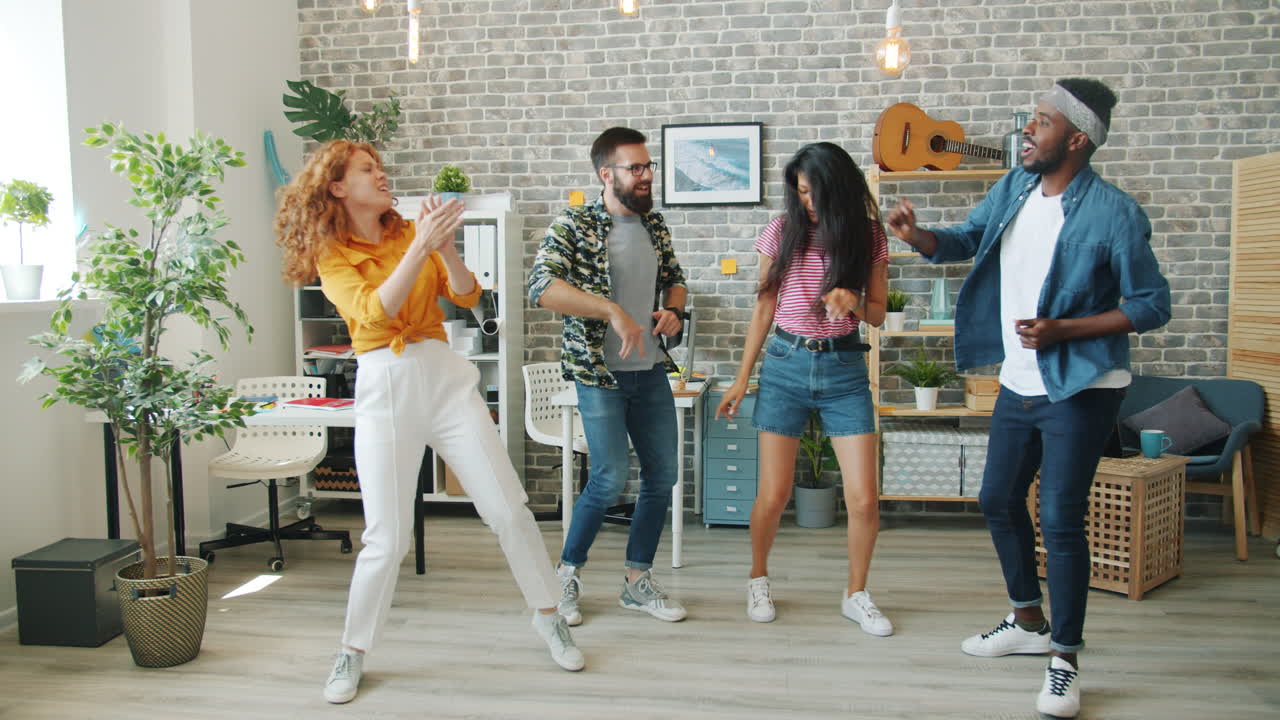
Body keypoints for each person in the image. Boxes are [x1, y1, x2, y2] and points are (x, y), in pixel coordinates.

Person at [886, 79, 1171, 719]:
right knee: (997, 498)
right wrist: (917, 235)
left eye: (1042, 122)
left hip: (1082, 386)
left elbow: (1152, 305)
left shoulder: (1115, 213)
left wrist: (1065, 330)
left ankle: (1065, 659)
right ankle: (1027, 620)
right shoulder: (1014, 187)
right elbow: (967, 239)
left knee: (1061, 519)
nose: (1027, 130)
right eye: (1032, 119)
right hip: (1019, 381)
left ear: (1077, 139)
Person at [274, 140, 585, 705]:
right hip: (384, 385)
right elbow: (374, 312)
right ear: (337, 187)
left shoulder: (409, 232)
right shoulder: (332, 253)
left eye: (380, 166)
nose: (381, 174)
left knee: (507, 508)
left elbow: (467, 296)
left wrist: (444, 249)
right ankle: (352, 650)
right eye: (367, 169)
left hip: (445, 379)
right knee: (386, 537)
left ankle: (548, 615)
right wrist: (423, 246)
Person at [716, 142, 892, 634]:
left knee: (864, 499)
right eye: (800, 192)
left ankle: (856, 594)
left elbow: (879, 314)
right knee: (773, 495)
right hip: (785, 367)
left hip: (844, 371)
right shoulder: (781, 232)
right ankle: (757, 578)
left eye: (815, 192)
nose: (807, 202)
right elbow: (764, 309)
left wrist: (853, 300)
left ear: (839, 188)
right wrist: (741, 378)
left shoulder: (869, 235)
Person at [528, 127, 689, 626]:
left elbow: (675, 280)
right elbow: (541, 287)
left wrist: (673, 311)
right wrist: (611, 310)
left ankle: (637, 582)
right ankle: (566, 575)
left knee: (663, 476)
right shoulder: (575, 223)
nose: (645, 176)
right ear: (606, 174)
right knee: (609, 477)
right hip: (599, 374)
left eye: (648, 166)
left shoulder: (654, 225)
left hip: (650, 370)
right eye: (634, 168)